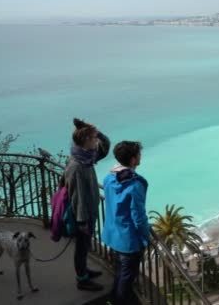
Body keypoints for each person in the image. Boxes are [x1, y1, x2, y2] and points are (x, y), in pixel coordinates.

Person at [64, 118, 110, 291]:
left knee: (84, 247)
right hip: (82, 215)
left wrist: (97, 132)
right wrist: (82, 221)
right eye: (93, 138)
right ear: (85, 141)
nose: (96, 141)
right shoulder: (78, 165)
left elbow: (105, 148)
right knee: (81, 247)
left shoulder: (85, 157)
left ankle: (84, 271)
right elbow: (78, 196)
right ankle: (82, 279)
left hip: (87, 212)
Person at [102, 141, 149, 305]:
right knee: (127, 278)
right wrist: (145, 236)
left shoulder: (108, 178)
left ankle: (113, 299)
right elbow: (138, 215)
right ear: (133, 159)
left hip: (112, 233)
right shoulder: (136, 184)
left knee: (120, 271)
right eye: (139, 154)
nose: (140, 156)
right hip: (128, 239)